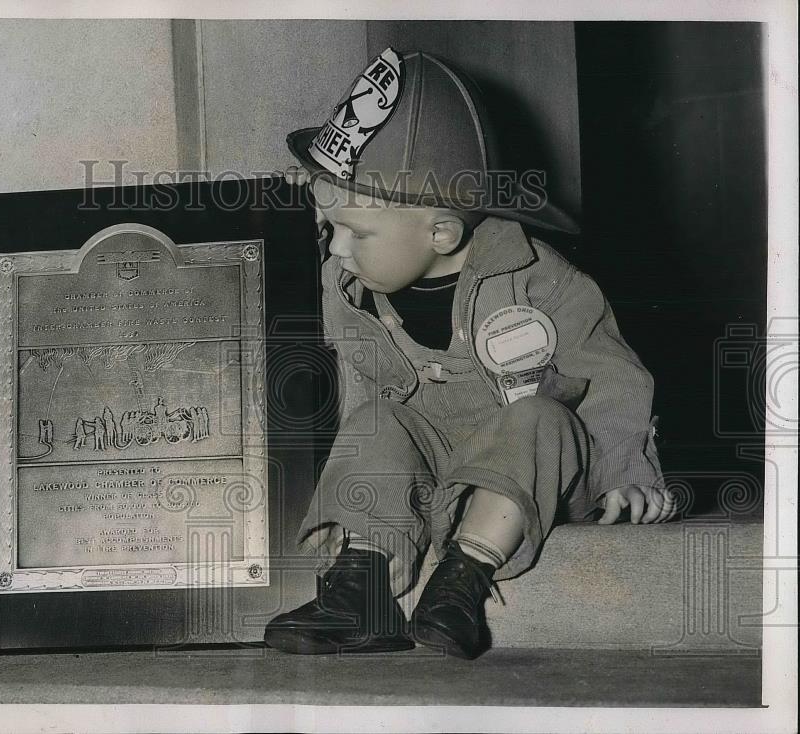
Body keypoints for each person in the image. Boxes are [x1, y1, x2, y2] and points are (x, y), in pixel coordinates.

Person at [263, 48, 675, 659]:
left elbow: (613, 378)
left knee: (537, 416)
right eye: (329, 227)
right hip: (435, 471)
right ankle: (361, 585)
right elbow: (363, 388)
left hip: (538, 470)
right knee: (376, 418)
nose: (337, 248)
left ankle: (461, 579)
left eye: (357, 232)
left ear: (442, 233)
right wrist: (366, 481)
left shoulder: (542, 280)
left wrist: (624, 466)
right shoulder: (345, 288)